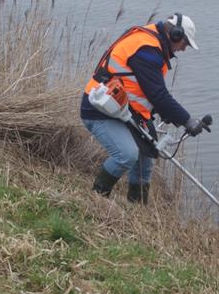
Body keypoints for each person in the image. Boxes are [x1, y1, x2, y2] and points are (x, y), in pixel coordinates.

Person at [81, 13, 205, 204]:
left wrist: (163, 112)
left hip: (122, 109)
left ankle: (137, 209)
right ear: (176, 34)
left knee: (146, 156)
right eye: (185, 43)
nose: (184, 49)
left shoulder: (152, 44)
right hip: (99, 109)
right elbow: (158, 94)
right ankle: (96, 200)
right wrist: (187, 120)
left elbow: (141, 88)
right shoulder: (147, 49)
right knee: (126, 154)